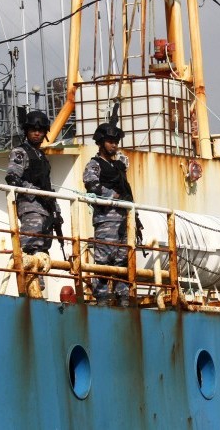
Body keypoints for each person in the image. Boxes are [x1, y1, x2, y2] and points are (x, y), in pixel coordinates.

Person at [83, 122, 134, 307]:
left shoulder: (119, 166)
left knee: (122, 261)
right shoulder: (94, 165)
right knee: (104, 260)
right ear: (101, 142)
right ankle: (102, 297)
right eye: (110, 141)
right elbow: (91, 186)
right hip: (106, 220)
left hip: (122, 220)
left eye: (116, 141)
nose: (114, 145)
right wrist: (114, 195)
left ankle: (123, 297)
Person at [5, 111, 61, 259]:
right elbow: (12, 179)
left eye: (40, 131)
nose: (37, 133)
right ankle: (32, 282)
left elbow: (47, 185)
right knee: (31, 249)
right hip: (30, 207)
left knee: (42, 252)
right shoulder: (20, 152)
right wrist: (35, 192)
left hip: (46, 208)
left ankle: (39, 283)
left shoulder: (41, 156)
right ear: (26, 131)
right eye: (33, 130)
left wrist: (56, 209)